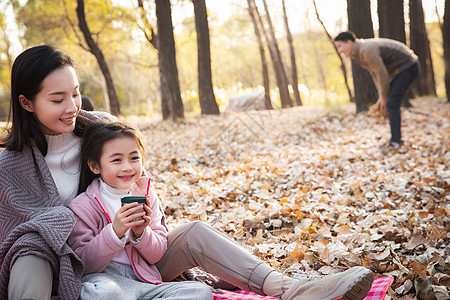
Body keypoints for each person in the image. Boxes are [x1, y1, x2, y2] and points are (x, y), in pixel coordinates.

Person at [0, 44, 374, 300]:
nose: (72, 107)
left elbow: (136, 183)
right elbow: (19, 235)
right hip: (70, 264)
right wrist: (107, 234)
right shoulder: (10, 165)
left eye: (76, 93)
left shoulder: (100, 131)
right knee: (29, 253)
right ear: (26, 102)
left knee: (195, 232)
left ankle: (288, 288)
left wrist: (141, 226)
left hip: (134, 258)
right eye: (57, 99)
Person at [67, 121, 212, 299]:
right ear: (95, 166)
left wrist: (141, 233)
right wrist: (114, 232)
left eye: (134, 158)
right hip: (105, 281)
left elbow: (157, 254)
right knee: (104, 294)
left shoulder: (147, 195)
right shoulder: (83, 206)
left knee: (200, 292)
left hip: (144, 279)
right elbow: (83, 264)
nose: (127, 167)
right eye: (116, 160)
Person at [334, 31, 419, 149]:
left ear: (349, 42)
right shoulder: (358, 52)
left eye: (340, 46)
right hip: (401, 70)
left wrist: (383, 96)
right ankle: (395, 139)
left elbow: (381, 73)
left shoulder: (365, 50)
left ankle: (396, 141)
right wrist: (381, 95)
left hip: (408, 66)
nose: (339, 50)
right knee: (390, 102)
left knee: (392, 103)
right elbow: (375, 73)